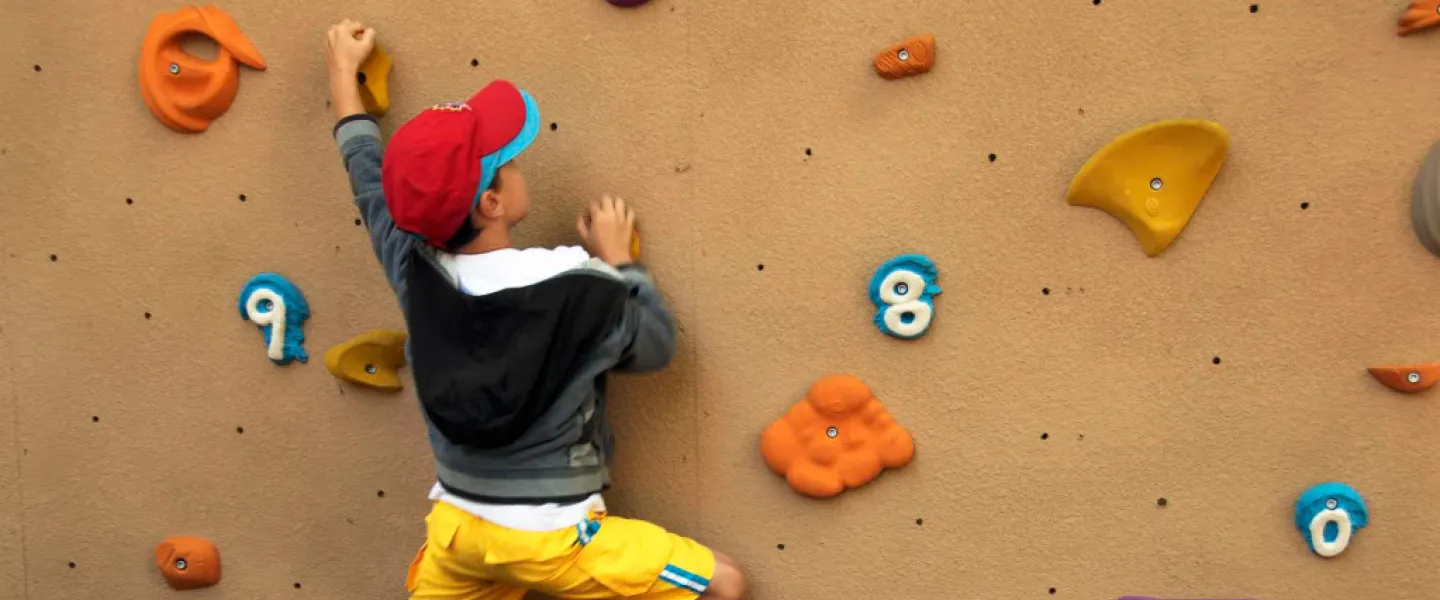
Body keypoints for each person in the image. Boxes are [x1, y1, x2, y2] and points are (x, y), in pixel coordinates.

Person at [323, 19, 747, 600]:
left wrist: (343, 76)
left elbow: (366, 178)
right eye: (511, 162)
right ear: (492, 202)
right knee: (723, 581)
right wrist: (622, 262)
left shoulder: (412, 269)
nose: (520, 165)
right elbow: (655, 346)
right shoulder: (579, 287)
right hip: (551, 540)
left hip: (459, 535)